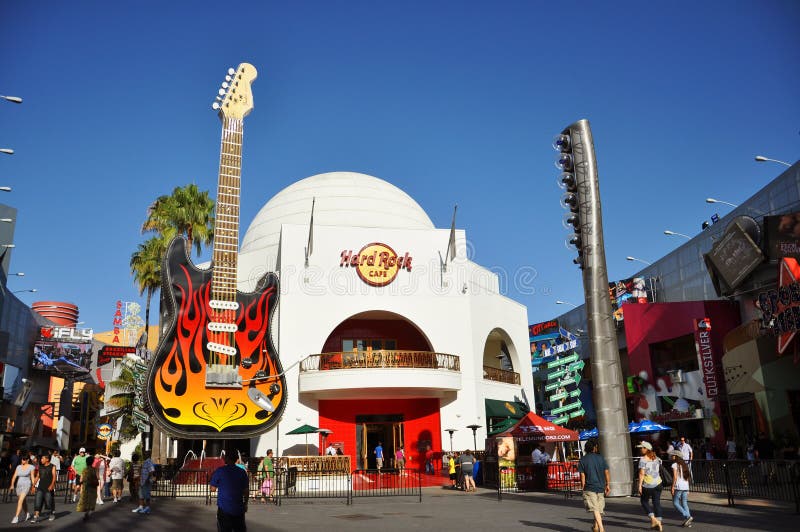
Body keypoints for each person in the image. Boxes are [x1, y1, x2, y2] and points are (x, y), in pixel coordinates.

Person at [210, 449, 249, 532]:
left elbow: (212, 489)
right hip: (238, 509)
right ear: (236, 459)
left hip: (224, 509)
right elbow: (246, 491)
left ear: (227, 458)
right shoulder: (242, 472)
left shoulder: (220, 470)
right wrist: (245, 504)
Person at [578, 439, 610, 532]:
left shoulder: (583, 459)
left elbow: (582, 475)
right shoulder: (600, 458)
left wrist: (583, 487)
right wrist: (608, 484)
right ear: (594, 448)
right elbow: (606, 472)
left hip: (589, 487)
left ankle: (601, 529)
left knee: (596, 509)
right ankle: (595, 527)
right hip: (601, 486)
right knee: (598, 509)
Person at [636, 441, 663, 531]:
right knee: (656, 503)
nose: (640, 450)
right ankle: (658, 523)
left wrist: (639, 485)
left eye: (642, 448)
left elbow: (641, 474)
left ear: (646, 449)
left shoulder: (643, 459)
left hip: (648, 484)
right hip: (658, 483)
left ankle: (653, 519)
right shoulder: (657, 458)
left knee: (644, 501)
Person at [669, 450, 693, 527]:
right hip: (685, 486)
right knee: (684, 503)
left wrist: (672, 487)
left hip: (679, 486)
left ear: (676, 456)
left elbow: (675, 477)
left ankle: (687, 516)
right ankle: (688, 521)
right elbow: (687, 477)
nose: (671, 456)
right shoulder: (684, 465)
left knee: (675, 503)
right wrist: (688, 488)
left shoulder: (674, 465)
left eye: (673, 455)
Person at [31, 453, 57, 523]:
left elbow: (54, 477)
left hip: (48, 488)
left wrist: (52, 485)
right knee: (37, 501)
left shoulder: (53, 466)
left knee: (49, 502)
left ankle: (51, 514)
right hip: (40, 487)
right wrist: (33, 486)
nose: (41, 460)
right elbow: (37, 477)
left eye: (42, 458)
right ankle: (36, 516)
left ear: (47, 459)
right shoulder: (40, 467)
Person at [9, 454, 34, 523]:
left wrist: (33, 486)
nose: (22, 461)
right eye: (22, 459)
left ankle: (16, 517)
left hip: (26, 484)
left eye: (24, 459)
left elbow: (32, 477)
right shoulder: (18, 467)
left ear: (27, 460)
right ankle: (27, 514)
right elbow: (14, 476)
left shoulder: (31, 467)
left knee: (20, 500)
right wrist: (12, 485)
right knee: (23, 501)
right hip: (19, 485)